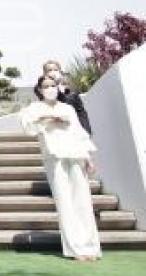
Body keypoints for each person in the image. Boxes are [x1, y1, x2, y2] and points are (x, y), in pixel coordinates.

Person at [20, 76, 101, 261]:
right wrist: (48, 118)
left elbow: (79, 133)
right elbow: (29, 127)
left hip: (76, 155)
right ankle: (75, 249)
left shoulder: (68, 108)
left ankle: (90, 247)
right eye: (46, 86)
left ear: (58, 87)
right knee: (65, 202)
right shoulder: (34, 108)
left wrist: (88, 157)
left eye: (53, 85)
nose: (50, 89)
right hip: (55, 157)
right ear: (39, 89)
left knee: (83, 201)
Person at [39, 60, 92, 135]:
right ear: (45, 74)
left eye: (55, 69)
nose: (53, 72)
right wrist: (53, 84)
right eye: (49, 70)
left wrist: (87, 131)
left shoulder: (71, 92)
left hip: (75, 133)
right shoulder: (43, 91)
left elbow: (81, 113)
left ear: (60, 72)